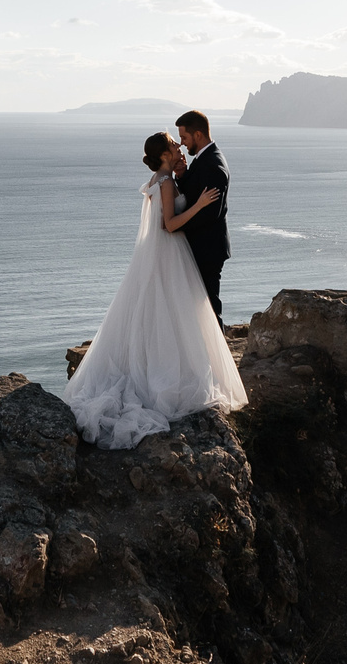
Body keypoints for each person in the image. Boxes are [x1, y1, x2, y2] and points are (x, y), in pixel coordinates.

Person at [60, 132, 248, 450]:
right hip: (170, 253)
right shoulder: (165, 183)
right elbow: (170, 224)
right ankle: (163, 377)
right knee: (174, 312)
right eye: (174, 144)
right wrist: (200, 203)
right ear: (163, 154)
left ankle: (153, 366)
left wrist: (181, 175)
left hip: (161, 255)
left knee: (158, 313)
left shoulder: (160, 178)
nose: (179, 146)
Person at [172, 110, 230, 320]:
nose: (182, 143)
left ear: (197, 135)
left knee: (209, 308)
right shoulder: (203, 159)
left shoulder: (213, 165)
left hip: (208, 249)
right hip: (202, 246)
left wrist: (175, 225)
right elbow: (196, 191)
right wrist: (182, 176)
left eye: (184, 137)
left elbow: (209, 213)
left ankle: (217, 351)